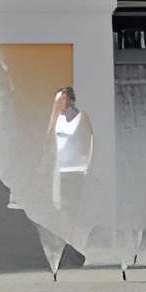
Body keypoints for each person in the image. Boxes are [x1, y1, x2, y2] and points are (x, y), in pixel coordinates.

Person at [46, 84, 94, 227]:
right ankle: (66, 233)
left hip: (77, 170)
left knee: (74, 206)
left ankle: (73, 234)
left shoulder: (81, 117)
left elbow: (90, 139)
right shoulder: (58, 119)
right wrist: (54, 112)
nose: (61, 102)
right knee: (61, 205)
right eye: (58, 100)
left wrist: (88, 165)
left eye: (63, 99)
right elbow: (49, 136)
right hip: (61, 169)